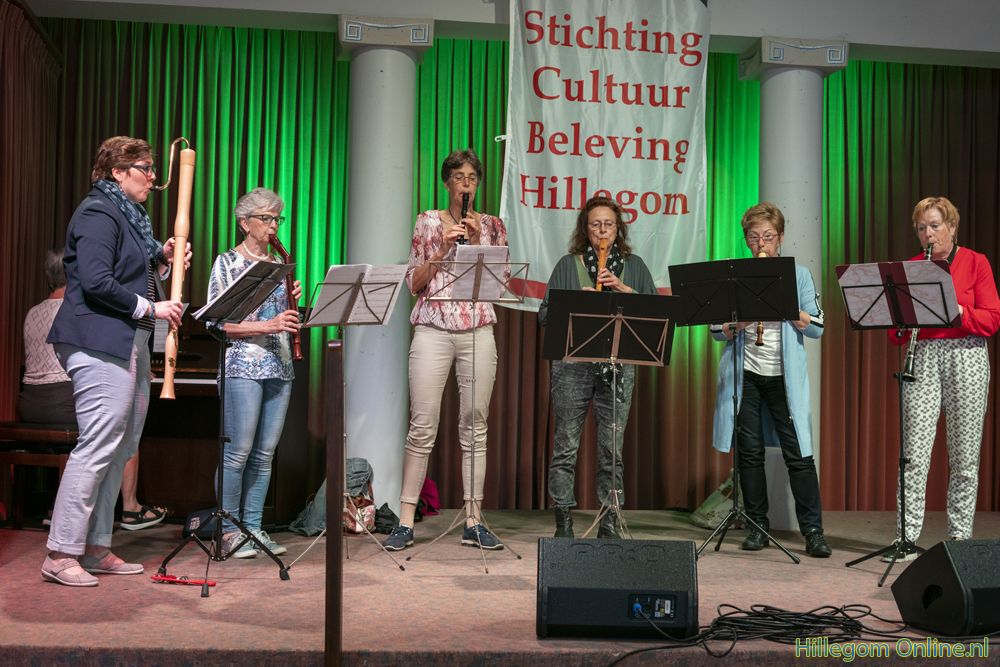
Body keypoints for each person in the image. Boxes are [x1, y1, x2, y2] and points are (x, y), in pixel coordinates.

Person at [41, 136, 188, 587]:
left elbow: (132, 276)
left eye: (153, 168)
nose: (154, 177)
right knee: (98, 444)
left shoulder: (130, 216)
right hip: (98, 339)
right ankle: (60, 553)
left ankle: (96, 546)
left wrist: (162, 261)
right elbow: (97, 281)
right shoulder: (98, 212)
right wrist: (152, 308)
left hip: (129, 341)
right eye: (145, 168)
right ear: (117, 172)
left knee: (121, 447)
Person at [382, 149, 508, 552]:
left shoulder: (493, 225)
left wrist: (477, 242)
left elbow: (499, 284)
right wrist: (440, 251)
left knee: (475, 425)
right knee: (422, 425)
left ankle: (474, 520)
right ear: (447, 183)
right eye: (459, 177)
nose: (466, 184)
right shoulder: (427, 221)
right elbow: (413, 283)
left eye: (472, 177)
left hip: (477, 328)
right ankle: (405, 521)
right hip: (432, 328)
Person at [709, 202, 831, 558]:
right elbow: (716, 330)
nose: (761, 244)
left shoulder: (799, 275)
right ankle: (757, 526)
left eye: (768, 236)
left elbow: (818, 327)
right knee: (749, 454)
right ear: (746, 240)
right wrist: (742, 321)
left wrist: (785, 307)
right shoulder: (734, 275)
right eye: (753, 237)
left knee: (799, 455)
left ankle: (813, 532)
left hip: (783, 379)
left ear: (780, 237)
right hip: (745, 376)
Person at [537, 196, 658, 539]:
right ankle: (563, 522)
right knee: (566, 445)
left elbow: (655, 316)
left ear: (618, 228)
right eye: (595, 225)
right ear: (585, 230)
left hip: (617, 367)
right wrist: (578, 303)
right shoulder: (568, 264)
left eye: (608, 224)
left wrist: (624, 289)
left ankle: (609, 521)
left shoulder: (634, 265)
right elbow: (544, 315)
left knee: (612, 450)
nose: (602, 231)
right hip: (572, 366)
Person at [888, 196, 1000, 561]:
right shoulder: (911, 268)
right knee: (913, 454)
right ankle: (905, 538)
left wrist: (958, 309)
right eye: (922, 228)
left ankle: (960, 539)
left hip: (966, 354)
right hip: (923, 354)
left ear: (952, 227)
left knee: (964, 456)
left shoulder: (976, 262)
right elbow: (895, 334)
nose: (928, 234)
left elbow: (992, 320)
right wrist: (900, 320)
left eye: (935, 226)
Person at [22, 248, 165, 531]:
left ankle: (62, 508)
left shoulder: (32, 312)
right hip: (63, 401)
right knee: (123, 421)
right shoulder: (76, 310)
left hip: (30, 403)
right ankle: (130, 507)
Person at [207, 187, 302, 559]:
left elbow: (282, 319)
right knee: (237, 454)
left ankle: (253, 527)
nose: (273, 225)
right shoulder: (227, 263)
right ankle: (229, 531)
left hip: (279, 365)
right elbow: (218, 324)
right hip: (242, 366)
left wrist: (292, 300)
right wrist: (270, 324)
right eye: (266, 218)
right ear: (244, 223)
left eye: (277, 218)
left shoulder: (280, 265)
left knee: (264, 455)